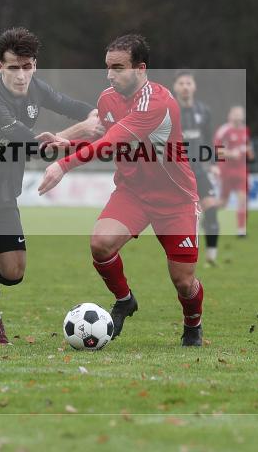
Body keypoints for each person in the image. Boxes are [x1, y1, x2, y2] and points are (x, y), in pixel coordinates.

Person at [38, 34, 205, 347]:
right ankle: (125, 299)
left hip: (175, 199)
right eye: (107, 68)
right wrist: (69, 145)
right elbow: (107, 144)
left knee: (183, 282)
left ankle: (192, 325)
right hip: (132, 192)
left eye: (118, 68)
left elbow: (113, 140)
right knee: (101, 244)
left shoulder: (157, 101)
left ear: (141, 69)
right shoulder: (107, 99)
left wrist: (64, 164)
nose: (110, 75)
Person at [0, 27, 104, 345]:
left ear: (35, 65)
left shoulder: (36, 89)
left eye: (27, 67)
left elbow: (71, 104)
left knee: (13, 273)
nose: (21, 75)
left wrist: (98, 112)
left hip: (3, 196)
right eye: (13, 67)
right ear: (0, 67)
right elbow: (35, 147)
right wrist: (83, 129)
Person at [172, 70, 222, 267]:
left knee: (211, 207)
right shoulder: (168, 110)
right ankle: (180, 256)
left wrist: (216, 164)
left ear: (194, 87)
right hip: (174, 173)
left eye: (188, 83)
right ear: (175, 87)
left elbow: (210, 140)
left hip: (199, 170)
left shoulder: (204, 111)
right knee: (180, 217)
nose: (185, 87)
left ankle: (211, 255)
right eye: (181, 83)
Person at [212, 106, 254, 242]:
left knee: (243, 199)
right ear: (229, 116)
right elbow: (216, 151)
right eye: (235, 114)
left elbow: (247, 147)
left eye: (240, 114)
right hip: (226, 170)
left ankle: (241, 231)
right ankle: (205, 213)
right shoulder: (224, 130)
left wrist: (249, 151)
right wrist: (231, 154)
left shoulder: (245, 131)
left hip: (241, 170)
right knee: (223, 202)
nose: (237, 117)